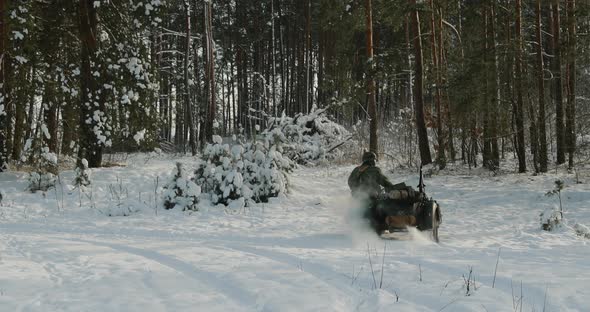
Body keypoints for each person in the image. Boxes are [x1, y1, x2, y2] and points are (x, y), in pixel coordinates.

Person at [348, 151, 397, 233]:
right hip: (372, 196)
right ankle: (383, 223)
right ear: (372, 160)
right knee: (384, 204)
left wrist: (357, 190)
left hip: (358, 197)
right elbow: (385, 182)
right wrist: (394, 188)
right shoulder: (375, 170)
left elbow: (350, 182)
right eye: (374, 160)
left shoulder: (356, 170)